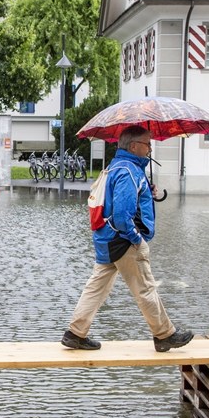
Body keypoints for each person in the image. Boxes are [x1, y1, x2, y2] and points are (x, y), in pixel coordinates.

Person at [62, 125, 194, 352]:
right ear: (134, 146)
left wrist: (148, 192)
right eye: (147, 143)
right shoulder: (129, 171)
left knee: (97, 287)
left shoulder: (119, 167)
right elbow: (123, 214)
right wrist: (136, 239)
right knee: (145, 288)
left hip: (106, 238)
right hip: (123, 241)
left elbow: (123, 201)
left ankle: (75, 333)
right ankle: (164, 335)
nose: (150, 147)